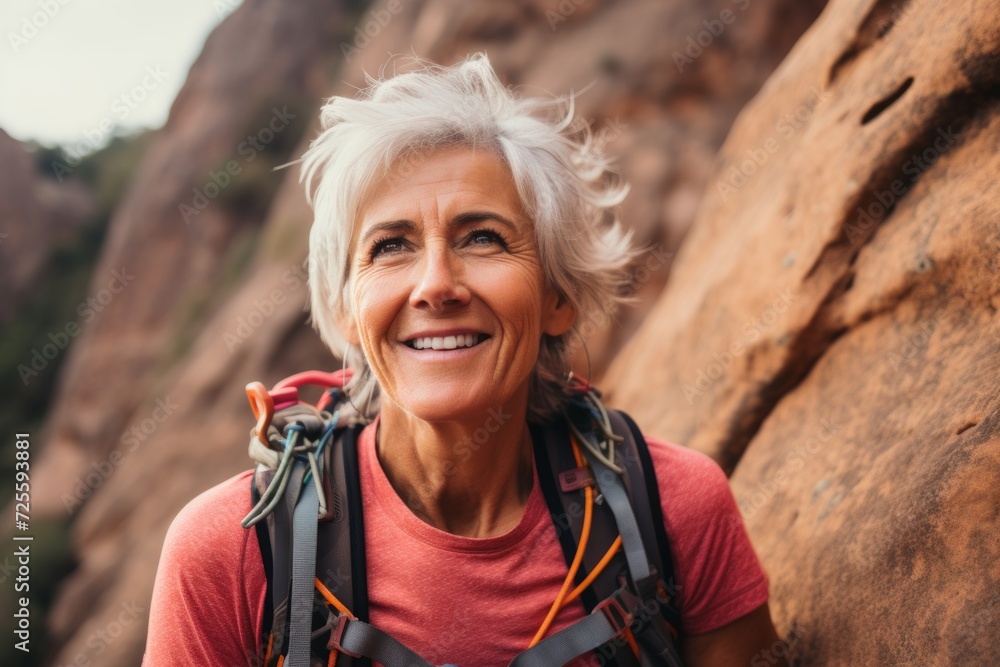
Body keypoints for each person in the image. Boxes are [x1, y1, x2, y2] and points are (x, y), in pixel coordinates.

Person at [144, 54, 785, 667]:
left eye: (483, 238)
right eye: (391, 246)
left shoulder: (675, 512)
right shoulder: (230, 553)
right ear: (345, 313)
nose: (435, 285)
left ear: (558, 298)